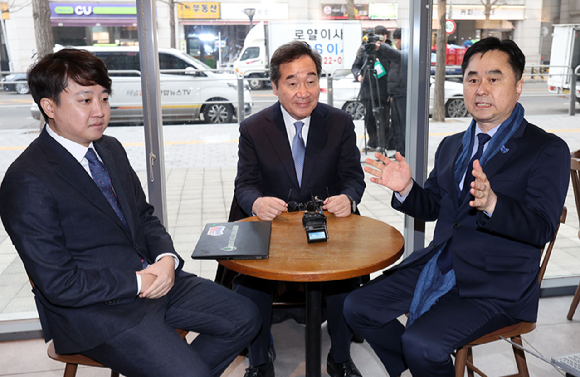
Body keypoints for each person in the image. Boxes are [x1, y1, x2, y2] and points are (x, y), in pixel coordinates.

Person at [0, 48, 260, 377]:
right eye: (85, 100)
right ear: (48, 106)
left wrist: (167, 259)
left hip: (154, 281)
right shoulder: (27, 181)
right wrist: (138, 281)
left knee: (245, 316)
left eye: (104, 98)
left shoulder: (109, 148)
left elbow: (144, 216)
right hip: (95, 312)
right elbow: (60, 284)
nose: (100, 111)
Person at [343, 37, 570, 376]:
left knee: (422, 343)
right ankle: (414, 368)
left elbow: (542, 227)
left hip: (497, 283)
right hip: (441, 263)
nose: (481, 89)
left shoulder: (547, 149)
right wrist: (406, 188)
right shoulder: (452, 146)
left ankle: (423, 361)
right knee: (357, 306)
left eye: (494, 79)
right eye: (472, 78)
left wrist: (493, 204)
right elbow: (433, 206)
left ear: (519, 86)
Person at [233, 41, 366, 377]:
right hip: (274, 227)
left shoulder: (340, 122)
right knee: (249, 284)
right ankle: (260, 360)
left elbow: (353, 179)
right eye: (292, 83)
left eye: (311, 80)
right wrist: (257, 202)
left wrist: (348, 198)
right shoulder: (253, 128)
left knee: (343, 282)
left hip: (327, 223)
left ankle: (340, 357)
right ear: (275, 86)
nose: (303, 92)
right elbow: (244, 185)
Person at [351, 25, 391, 152]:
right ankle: (372, 141)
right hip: (367, 89)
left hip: (383, 90)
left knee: (382, 117)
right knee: (369, 117)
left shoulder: (388, 50)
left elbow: (392, 69)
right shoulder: (365, 49)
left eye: (380, 37)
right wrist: (358, 75)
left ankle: (382, 143)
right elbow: (356, 66)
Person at [380, 27, 407, 156]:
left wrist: (382, 47)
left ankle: (404, 151)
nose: (396, 43)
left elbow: (396, 55)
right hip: (396, 94)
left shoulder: (407, 53)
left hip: (403, 94)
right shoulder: (399, 53)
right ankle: (399, 151)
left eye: (398, 40)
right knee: (396, 125)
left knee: (403, 125)